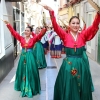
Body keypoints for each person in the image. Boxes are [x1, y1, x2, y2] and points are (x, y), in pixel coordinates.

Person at [43, 5, 100, 100]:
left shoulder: (83, 35)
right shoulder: (65, 36)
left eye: (77, 23)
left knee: (82, 86)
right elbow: (56, 27)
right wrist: (51, 12)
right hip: (68, 66)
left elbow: (94, 26)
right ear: (69, 25)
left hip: (81, 66)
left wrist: (98, 15)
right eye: (73, 23)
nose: (75, 25)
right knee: (69, 86)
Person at [4, 21, 47, 98]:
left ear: (31, 32)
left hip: (31, 57)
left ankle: (31, 87)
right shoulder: (21, 38)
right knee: (22, 71)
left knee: (31, 71)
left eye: (28, 31)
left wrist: (45, 28)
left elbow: (40, 35)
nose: (26, 32)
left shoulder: (33, 39)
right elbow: (14, 33)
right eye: (25, 30)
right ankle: (23, 86)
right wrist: (8, 25)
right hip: (23, 57)